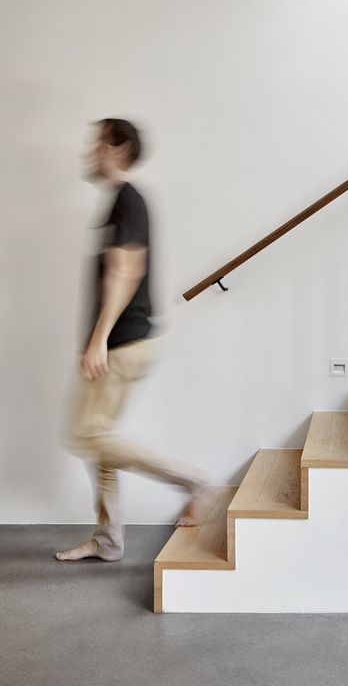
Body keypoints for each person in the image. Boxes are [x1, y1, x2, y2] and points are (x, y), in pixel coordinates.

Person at [56, 118, 209, 563]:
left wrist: (99, 338)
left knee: (84, 436)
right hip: (121, 341)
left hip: (124, 342)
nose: (90, 150)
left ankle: (191, 480)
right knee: (98, 437)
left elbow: (127, 271)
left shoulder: (128, 201)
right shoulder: (120, 203)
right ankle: (108, 541)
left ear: (118, 148)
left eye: (98, 143)